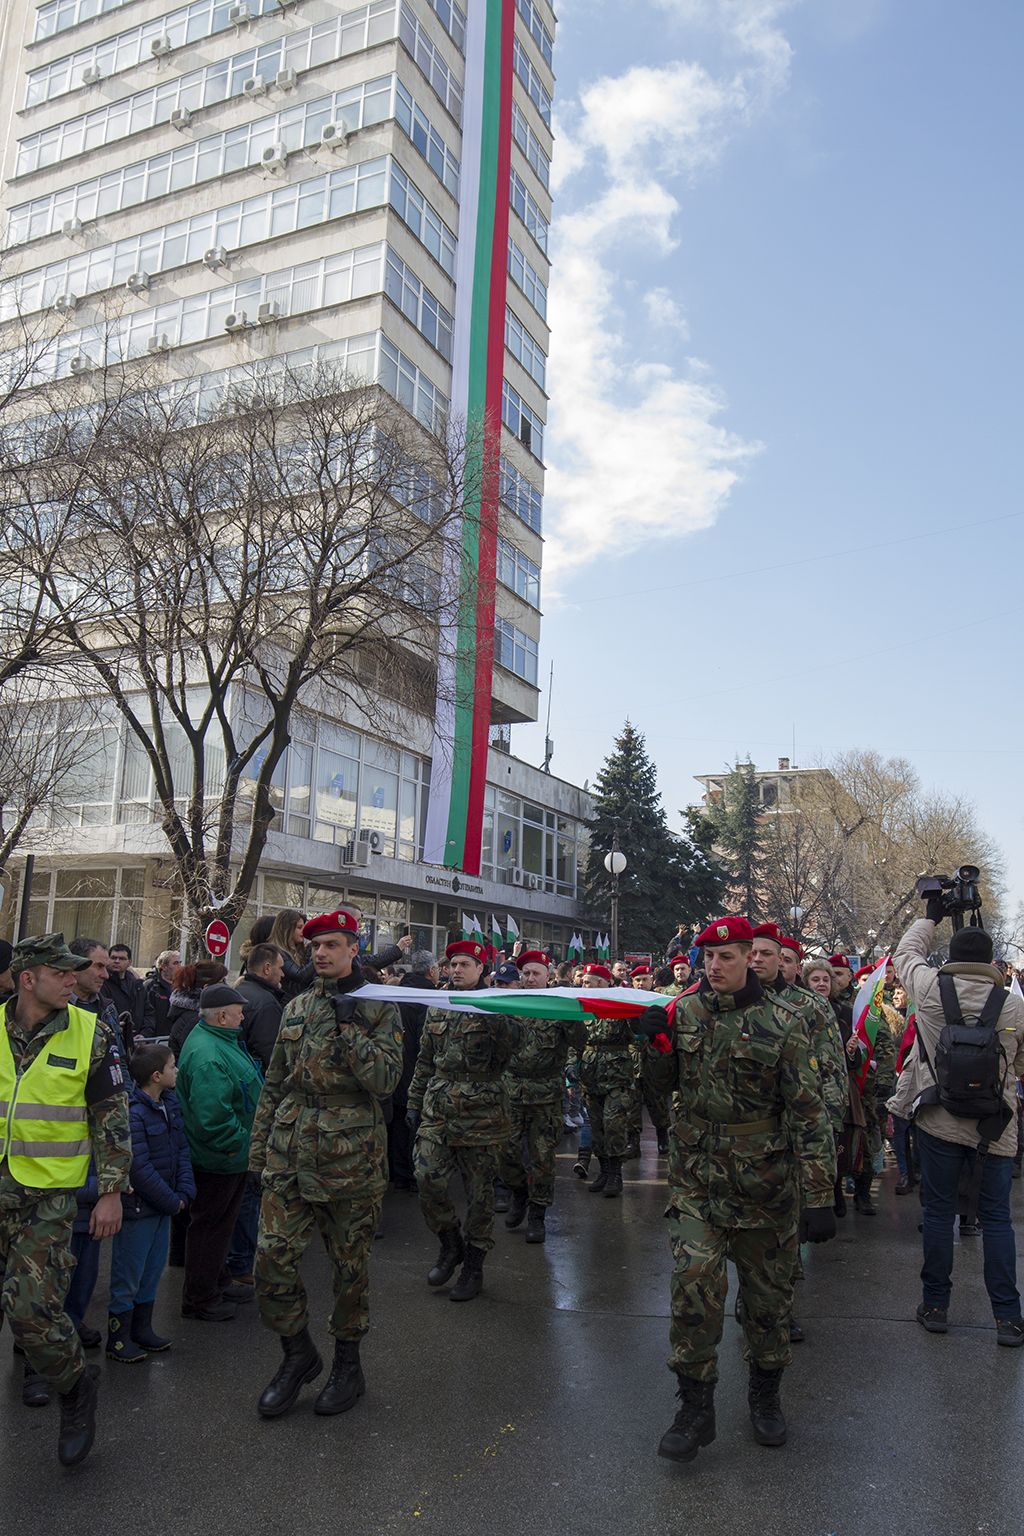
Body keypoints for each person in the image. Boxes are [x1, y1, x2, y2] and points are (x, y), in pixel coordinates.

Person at [639, 916, 835, 1462]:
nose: (714, 966)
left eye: (726, 957)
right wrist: (654, 1049)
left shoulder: (784, 1020)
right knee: (693, 1289)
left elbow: (809, 1115)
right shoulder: (685, 1013)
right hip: (697, 1181)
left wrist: (819, 1196)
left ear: (750, 957)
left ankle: (766, 1395)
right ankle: (694, 1407)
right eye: (708, 958)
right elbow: (658, 1099)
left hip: (765, 1186)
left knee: (767, 1304)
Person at [250, 909, 402, 1418]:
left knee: (348, 1270)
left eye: (332, 944)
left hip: (350, 1157)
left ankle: (348, 1365)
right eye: (315, 945)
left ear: (354, 948)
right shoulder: (296, 1007)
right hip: (291, 1151)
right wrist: (259, 1150)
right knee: (270, 1260)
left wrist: (348, 1026)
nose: (321, 953)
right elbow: (275, 1081)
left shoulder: (378, 1006)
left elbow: (384, 1082)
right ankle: (297, 1355)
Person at [0, 933, 131, 1466]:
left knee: (32, 1311)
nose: (74, 979)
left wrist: (112, 1193)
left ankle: (76, 1389)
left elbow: (112, 1118)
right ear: (28, 978)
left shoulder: (90, 1031)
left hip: (48, 1197)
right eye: (63, 972)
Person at [891, 908, 1024, 1344]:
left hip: (938, 1119)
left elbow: (905, 953)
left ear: (951, 956)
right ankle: (1007, 1318)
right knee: (997, 1220)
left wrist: (930, 917)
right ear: (992, 961)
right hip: (995, 1130)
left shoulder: (929, 988)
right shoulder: (1015, 1006)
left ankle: (935, 1307)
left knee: (937, 1213)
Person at [406, 939, 519, 1302]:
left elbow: (513, 1048)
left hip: (482, 1112)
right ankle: (449, 1242)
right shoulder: (439, 1004)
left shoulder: (496, 1005)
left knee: (480, 1195)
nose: (456, 970)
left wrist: (494, 1019)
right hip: (439, 1107)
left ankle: (473, 1264)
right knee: (427, 1177)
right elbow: (425, 1057)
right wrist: (414, 1101)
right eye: (452, 964)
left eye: (464, 964)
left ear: (481, 970)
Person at [176, 983, 263, 1321]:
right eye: (239, 1011)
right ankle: (200, 1298)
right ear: (223, 1016)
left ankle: (217, 1280)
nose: (243, 1015)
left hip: (228, 1156)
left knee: (219, 1227)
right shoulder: (209, 1055)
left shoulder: (218, 1040)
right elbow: (213, 1120)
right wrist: (245, 1143)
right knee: (210, 1228)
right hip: (220, 1158)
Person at [107, 1045, 195, 1362]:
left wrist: (184, 1190)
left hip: (164, 1207)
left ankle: (141, 1329)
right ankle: (118, 1338)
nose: (178, 1071)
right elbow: (138, 1168)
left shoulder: (169, 1104)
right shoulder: (133, 1112)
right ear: (156, 1076)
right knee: (128, 1274)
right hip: (141, 1210)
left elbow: (181, 1150)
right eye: (173, 1067)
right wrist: (173, 1201)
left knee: (152, 1271)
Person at [498, 949, 585, 1244]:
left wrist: (572, 1017)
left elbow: (579, 1041)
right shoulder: (509, 1004)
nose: (530, 978)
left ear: (548, 976)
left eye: (536, 973)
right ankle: (519, 1193)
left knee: (543, 1159)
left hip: (545, 1095)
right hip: (512, 1092)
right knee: (506, 1153)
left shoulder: (558, 1006)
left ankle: (537, 1214)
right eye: (526, 974)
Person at [577, 961, 636, 1196]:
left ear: (601, 983)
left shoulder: (620, 1003)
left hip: (617, 1076)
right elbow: (576, 1040)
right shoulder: (581, 1006)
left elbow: (636, 1033)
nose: (583, 985)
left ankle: (616, 1174)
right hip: (591, 1075)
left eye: (587, 982)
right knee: (598, 1126)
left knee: (614, 1125)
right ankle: (603, 1171)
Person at [389, 952, 438, 1191]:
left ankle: (398, 1173)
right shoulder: (431, 997)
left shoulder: (397, 993)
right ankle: (412, 1172)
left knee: (399, 1121)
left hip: (395, 1068)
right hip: (418, 1070)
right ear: (431, 971)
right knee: (416, 1122)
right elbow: (425, 1038)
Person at [236, 944, 286, 1073]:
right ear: (267, 968)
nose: (283, 974)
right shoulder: (267, 1005)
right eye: (280, 968)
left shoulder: (238, 991)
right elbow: (271, 1058)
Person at [167, 960, 228, 1058]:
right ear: (207, 987)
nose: (226, 987)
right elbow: (199, 1057)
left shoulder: (200, 1014)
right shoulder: (194, 1019)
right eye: (222, 981)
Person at [103, 944, 146, 1043]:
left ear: (129, 962)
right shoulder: (102, 983)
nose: (117, 961)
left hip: (137, 1041)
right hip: (114, 1040)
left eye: (122, 958)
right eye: (113, 957)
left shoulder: (137, 985)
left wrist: (144, 1034)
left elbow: (148, 1012)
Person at [142, 949, 180, 1037]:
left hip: (172, 1037)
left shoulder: (181, 986)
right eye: (175, 963)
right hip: (154, 1038)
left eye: (179, 962)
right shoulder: (151, 986)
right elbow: (145, 1013)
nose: (179, 966)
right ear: (164, 967)